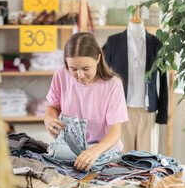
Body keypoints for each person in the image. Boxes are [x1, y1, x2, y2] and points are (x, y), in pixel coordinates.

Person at [44, 32, 128, 172]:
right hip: (69, 152)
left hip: (103, 152)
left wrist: (94, 151)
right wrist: (49, 119)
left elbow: (114, 133)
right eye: (73, 69)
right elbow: (53, 106)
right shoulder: (60, 75)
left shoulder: (113, 85)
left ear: (98, 59)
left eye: (85, 68)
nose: (80, 75)